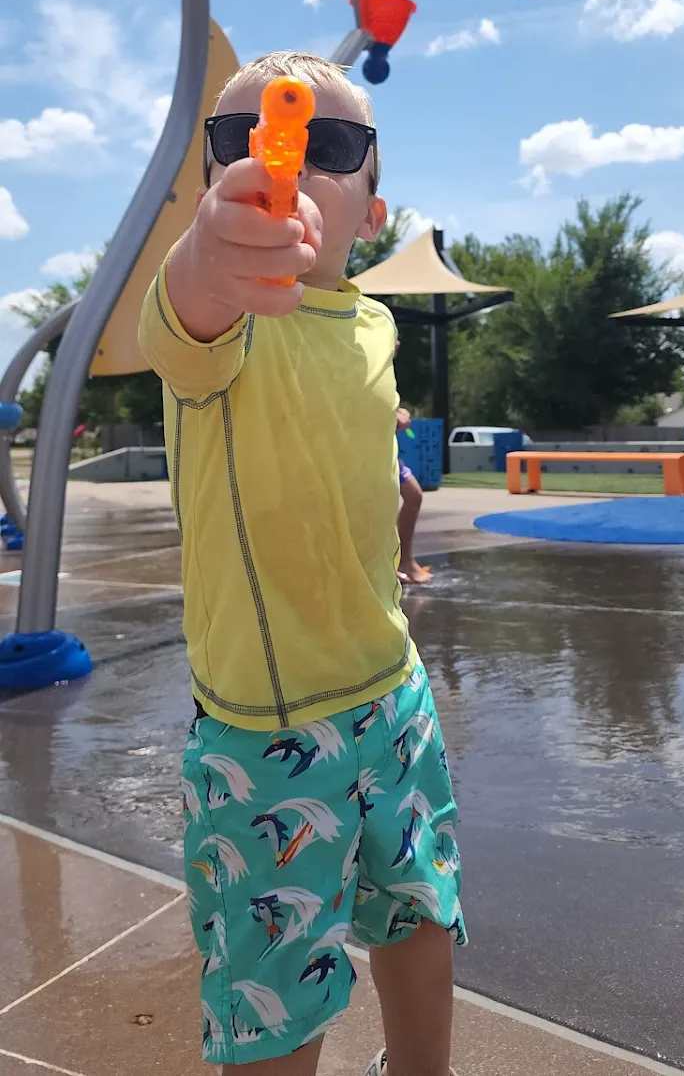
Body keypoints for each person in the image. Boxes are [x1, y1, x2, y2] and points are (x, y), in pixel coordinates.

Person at [138, 52, 465, 1076]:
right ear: (209, 187)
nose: (282, 158)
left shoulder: (371, 320)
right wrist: (210, 253)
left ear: (371, 208)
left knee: (420, 910)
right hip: (267, 731)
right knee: (276, 989)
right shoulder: (221, 321)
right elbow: (187, 300)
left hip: (394, 693)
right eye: (241, 143)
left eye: (329, 147)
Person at [396, 405, 432, 585]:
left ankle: (404, 560)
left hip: (386, 450)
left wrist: (399, 411)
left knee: (414, 495)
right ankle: (395, 563)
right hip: (364, 449)